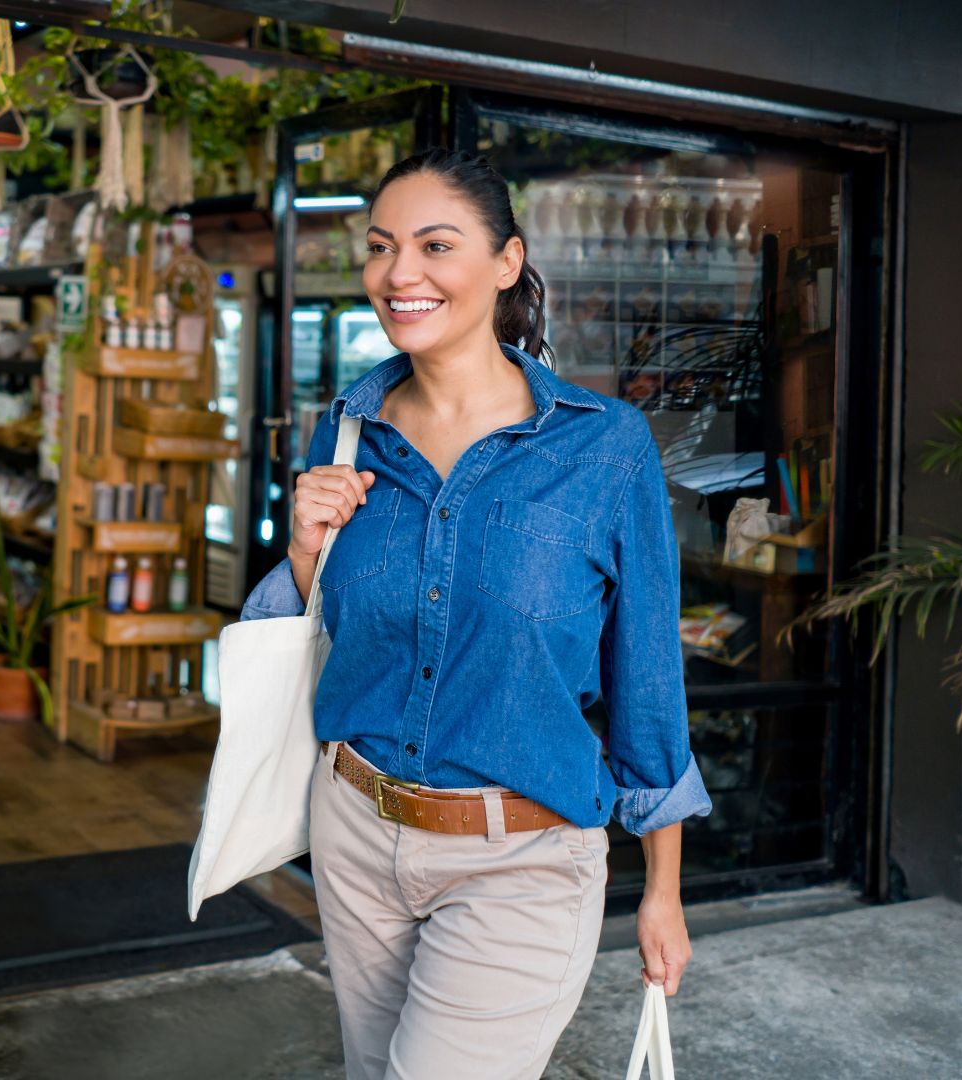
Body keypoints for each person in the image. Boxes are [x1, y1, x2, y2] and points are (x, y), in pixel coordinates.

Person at [241, 148, 710, 1078]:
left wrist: (664, 889)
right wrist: (300, 553)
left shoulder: (604, 447)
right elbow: (305, 638)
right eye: (381, 248)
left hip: (523, 861)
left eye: (434, 245)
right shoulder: (346, 430)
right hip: (356, 833)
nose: (398, 274)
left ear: (506, 262)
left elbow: (648, 678)